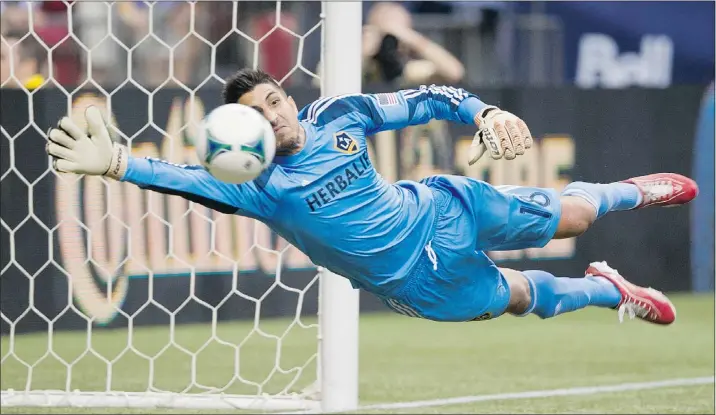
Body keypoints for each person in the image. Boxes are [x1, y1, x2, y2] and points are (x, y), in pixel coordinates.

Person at [45, 69, 698, 325]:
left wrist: (482, 110)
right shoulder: (261, 188)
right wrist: (118, 164)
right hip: (416, 284)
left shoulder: (340, 116)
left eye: (274, 100)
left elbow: (429, 98)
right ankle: (613, 290)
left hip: (442, 208)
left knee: (572, 215)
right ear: (241, 135)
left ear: (287, 99)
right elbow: (179, 178)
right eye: (256, 115)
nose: (273, 116)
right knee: (522, 297)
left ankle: (629, 193)